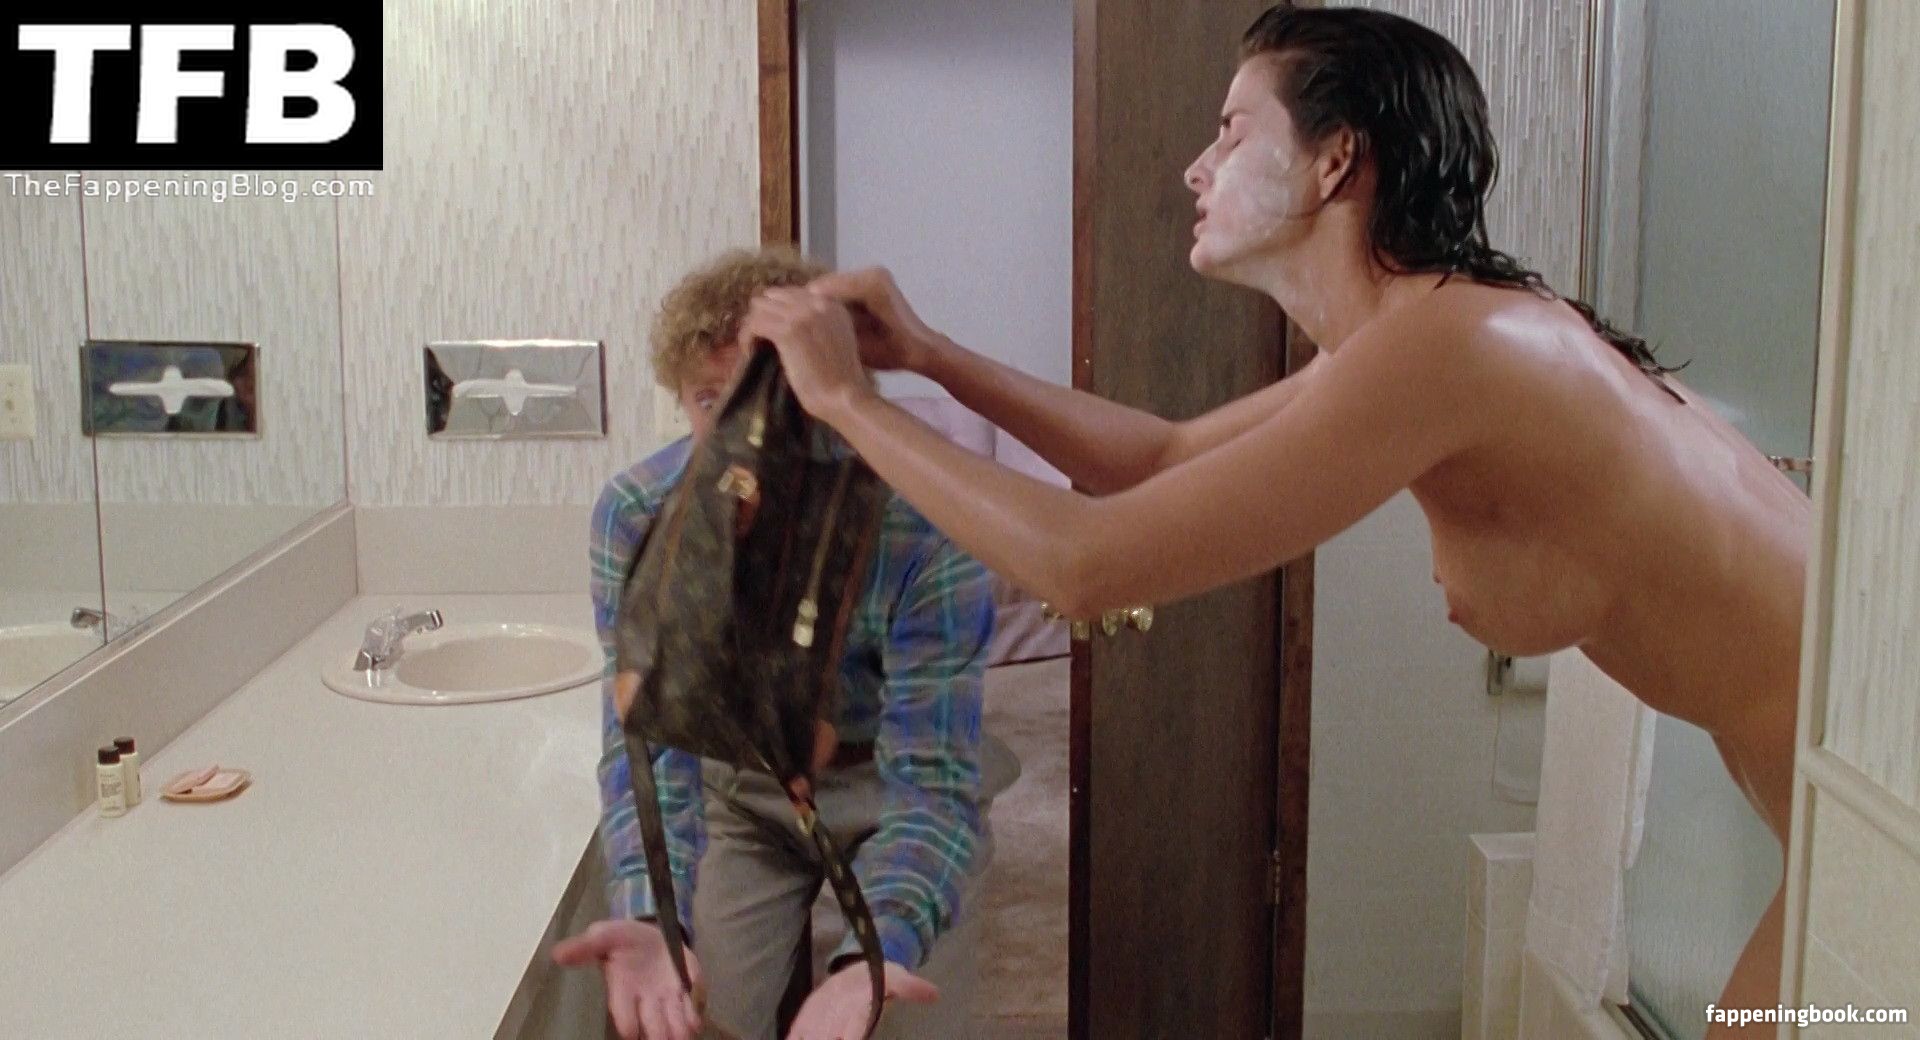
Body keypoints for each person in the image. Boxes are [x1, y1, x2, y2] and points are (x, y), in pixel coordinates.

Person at [738, 5, 1807, 1034]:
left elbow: (1084, 565)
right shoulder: (1429, 334)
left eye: (1232, 130)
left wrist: (846, 403)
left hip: (1867, 790)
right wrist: (929, 355)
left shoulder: (1458, 347)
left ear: (1335, 161)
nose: (1196, 167)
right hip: (1820, 801)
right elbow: (1157, 457)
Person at [554, 246, 1006, 1040]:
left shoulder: (927, 522)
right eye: (711, 399)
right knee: (704, 1011)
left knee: (908, 1009)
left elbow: (933, 784)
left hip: (888, 780)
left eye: (777, 396)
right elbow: (646, 745)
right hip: (744, 791)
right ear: (681, 401)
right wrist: (655, 908)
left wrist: (879, 949)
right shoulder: (640, 516)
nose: (747, 437)